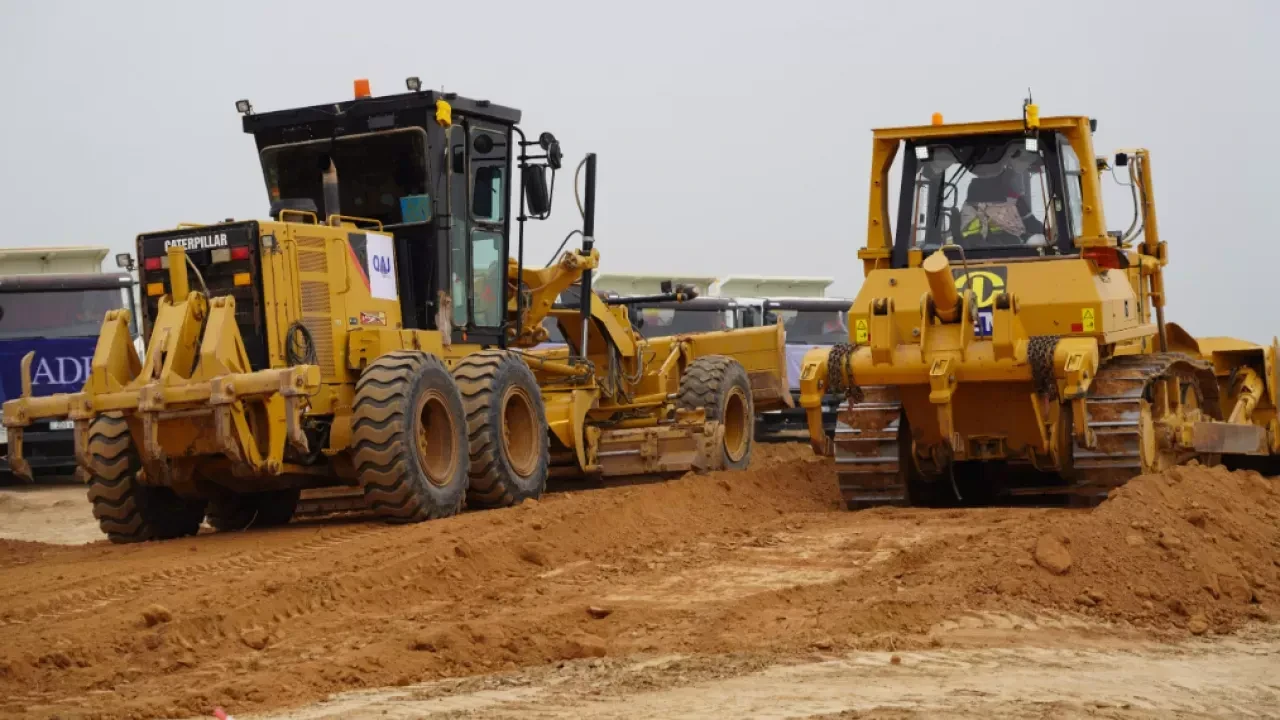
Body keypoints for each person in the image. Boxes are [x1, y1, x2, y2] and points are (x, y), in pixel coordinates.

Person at [960, 162, 1045, 246]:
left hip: (971, 251)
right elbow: (1036, 228)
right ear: (1003, 183)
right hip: (1010, 251)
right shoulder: (1013, 203)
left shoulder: (969, 205)